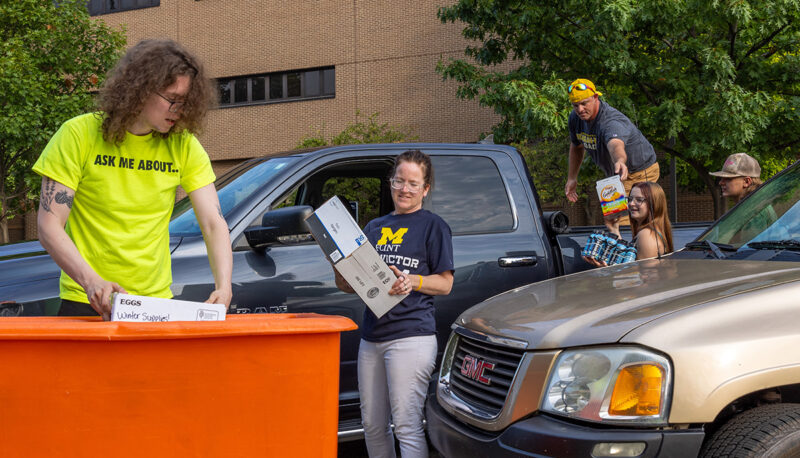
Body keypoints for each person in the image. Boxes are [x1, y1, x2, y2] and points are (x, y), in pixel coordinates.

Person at [34, 39, 232, 319]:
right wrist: (92, 282)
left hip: (154, 306)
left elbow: (213, 223)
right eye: (172, 100)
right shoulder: (78, 135)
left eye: (186, 102)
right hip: (86, 300)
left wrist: (224, 286)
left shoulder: (183, 145)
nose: (180, 111)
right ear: (139, 90)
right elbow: (49, 225)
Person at [334, 149, 454, 458]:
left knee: (406, 425)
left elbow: (445, 283)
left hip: (411, 336)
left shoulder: (433, 226)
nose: (404, 189)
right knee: (372, 425)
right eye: (399, 181)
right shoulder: (373, 227)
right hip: (372, 337)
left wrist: (412, 281)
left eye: (413, 183)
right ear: (391, 183)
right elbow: (348, 285)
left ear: (425, 189)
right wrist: (338, 262)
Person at [565, 78, 659, 225]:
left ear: (596, 97)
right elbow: (576, 146)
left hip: (639, 171)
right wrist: (572, 178)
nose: (580, 110)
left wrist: (620, 161)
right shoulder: (575, 119)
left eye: (584, 103)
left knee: (621, 220)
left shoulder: (610, 121)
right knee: (611, 219)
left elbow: (615, 145)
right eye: (575, 105)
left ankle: (639, 244)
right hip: (615, 175)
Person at [584, 181, 673, 266]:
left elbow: (643, 280)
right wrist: (614, 229)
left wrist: (607, 271)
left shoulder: (646, 235)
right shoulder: (651, 231)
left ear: (654, 204)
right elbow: (632, 268)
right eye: (630, 199)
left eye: (639, 200)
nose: (631, 203)